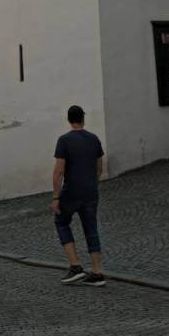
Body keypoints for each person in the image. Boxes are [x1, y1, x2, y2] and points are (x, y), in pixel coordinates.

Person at [52, 105, 105, 285]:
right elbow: (99, 168)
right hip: (91, 190)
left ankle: (75, 266)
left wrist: (56, 197)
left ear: (69, 120)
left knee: (60, 220)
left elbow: (59, 171)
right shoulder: (94, 139)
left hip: (72, 190)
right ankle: (97, 273)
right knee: (91, 229)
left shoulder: (64, 140)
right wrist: (91, 183)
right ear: (83, 118)